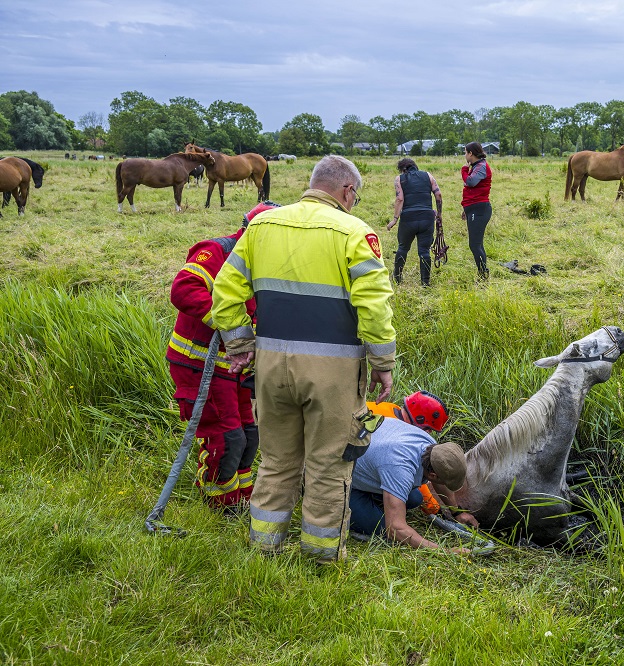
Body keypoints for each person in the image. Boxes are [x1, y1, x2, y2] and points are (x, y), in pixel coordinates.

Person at [212, 155, 396, 563]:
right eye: (357, 195)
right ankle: (322, 555)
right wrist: (383, 361)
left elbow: (224, 290)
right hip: (333, 373)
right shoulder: (355, 232)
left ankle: (263, 548)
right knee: (329, 465)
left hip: (271, 366)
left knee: (276, 462)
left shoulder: (260, 226)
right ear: (348, 191)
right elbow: (375, 305)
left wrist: (241, 345)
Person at [166, 201, 278, 513]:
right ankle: (219, 502)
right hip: (199, 364)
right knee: (228, 438)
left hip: (234, 367)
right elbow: (184, 289)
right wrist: (233, 328)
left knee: (249, 436)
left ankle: (242, 495)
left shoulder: (265, 265)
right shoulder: (216, 252)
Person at [349, 416, 474, 551]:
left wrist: (457, 513)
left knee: (415, 499)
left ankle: (372, 493)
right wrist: (446, 552)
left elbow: (440, 479)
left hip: (366, 454)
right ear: (432, 475)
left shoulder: (432, 447)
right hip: (341, 477)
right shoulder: (400, 468)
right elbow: (395, 529)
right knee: (382, 528)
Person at [365, 390, 462, 518]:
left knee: (414, 498)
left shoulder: (393, 410)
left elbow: (432, 467)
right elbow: (413, 473)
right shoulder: (397, 438)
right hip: (346, 466)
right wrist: (435, 512)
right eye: (428, 429)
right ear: (419, 419)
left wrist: (456, 511)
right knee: (379, 526)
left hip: (367, 460)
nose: (428, 434)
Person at [387, 158, 444, 287]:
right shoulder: (428, 175)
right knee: (424, 251)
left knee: (403, 248)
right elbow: (438, 195)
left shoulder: (399, 179)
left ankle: (397, 278)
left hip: (408, 218)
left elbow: (399, 199)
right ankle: (425, 282)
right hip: (427, 217)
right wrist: (439, 214)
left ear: (403, 169)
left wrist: (395, 219)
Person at [460, 142, 492, 281]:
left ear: (471, 153)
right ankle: (483, 272)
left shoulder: (481, 167)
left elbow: (471, 182)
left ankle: (483, 274)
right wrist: (466, 209)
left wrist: (464, 171)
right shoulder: (477, 166)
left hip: (479, 209)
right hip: (474, 208)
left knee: (474, 244)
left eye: (465, 152)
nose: (465, 155)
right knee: (477, 244)